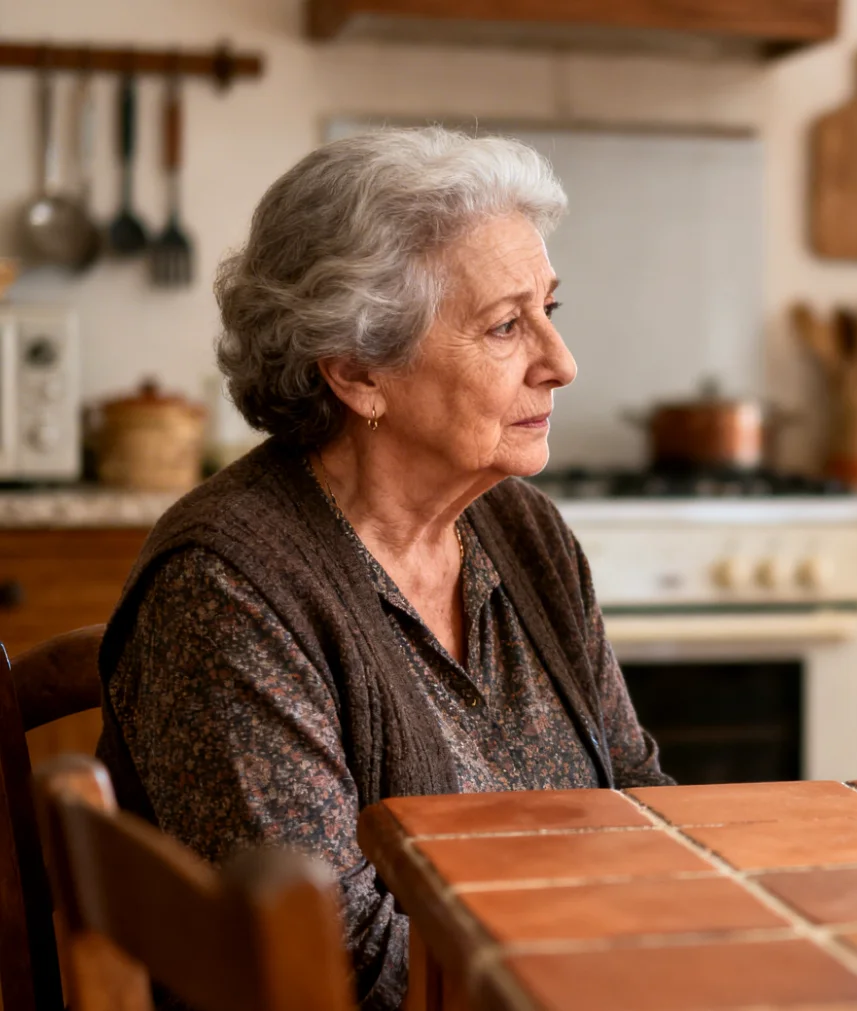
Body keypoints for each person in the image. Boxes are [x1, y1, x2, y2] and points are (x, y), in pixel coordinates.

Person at [96, 127, 672, 1008]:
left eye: (551, 311)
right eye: (507, 325)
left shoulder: (524, 533)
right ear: (359, 373)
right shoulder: (225, 587)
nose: (561, 364)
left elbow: (637, 798)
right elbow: (339, 961)